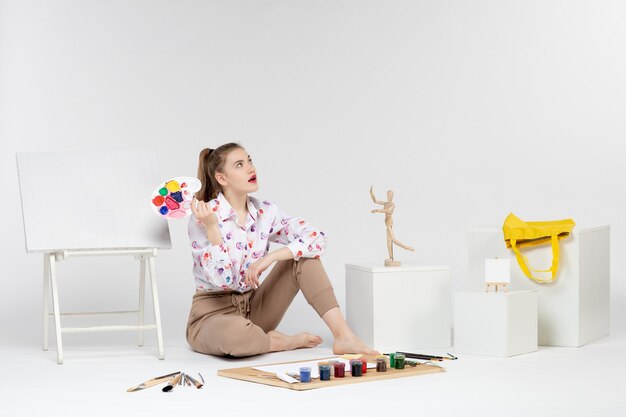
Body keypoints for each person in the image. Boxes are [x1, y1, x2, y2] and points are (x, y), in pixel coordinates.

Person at [186, 142, 377, 357]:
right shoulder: (203, 217)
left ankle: (344, 337)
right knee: (238, 338)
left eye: (249, 160)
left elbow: (316, 239)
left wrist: (273, 257)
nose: (251, 168)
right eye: (239, 165)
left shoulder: (266, 212)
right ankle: (278, 342)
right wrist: (212, 227)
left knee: (304, 257)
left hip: (254, 308)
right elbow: (224, 281)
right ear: (222, 178)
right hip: (212, 316)